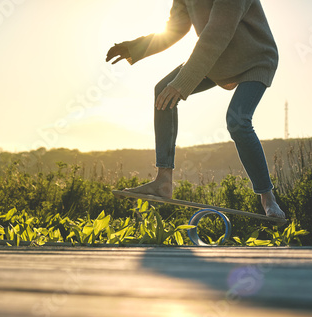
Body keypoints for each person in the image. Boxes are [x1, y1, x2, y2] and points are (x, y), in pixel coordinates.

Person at [106, 0, 285, 219]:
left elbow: (217, 33)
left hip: (255, 58)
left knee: (238, 121)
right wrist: (135, 47)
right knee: (163, 90)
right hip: (218, 58)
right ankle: (163, 180)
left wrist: (182, 83)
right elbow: (175, 28)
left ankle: (268, 199)